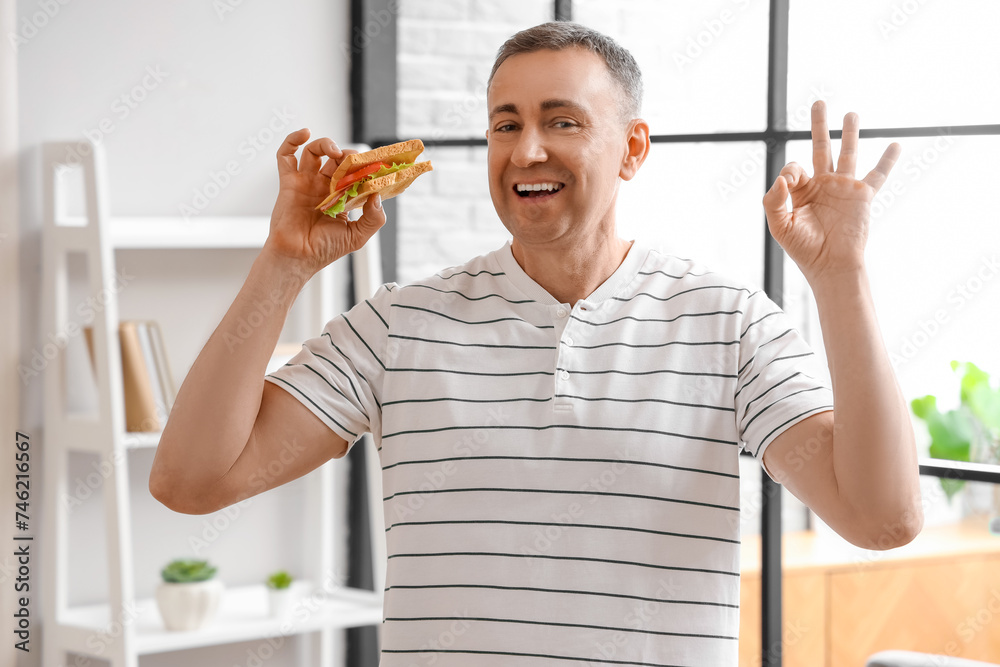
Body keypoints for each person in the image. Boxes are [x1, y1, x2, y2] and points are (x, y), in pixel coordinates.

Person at [150, 21, 923, 666]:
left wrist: (841, 278)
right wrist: (284, 263)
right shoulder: (397, 324)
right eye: (505, 124)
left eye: (563, 121)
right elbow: (191, 480)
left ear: (632, 148)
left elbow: (881, 517)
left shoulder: (730, 324)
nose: (526, 152)